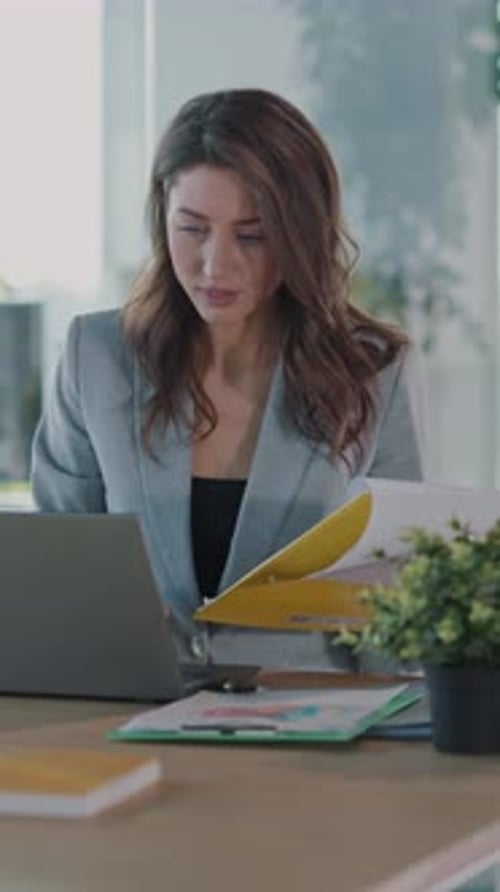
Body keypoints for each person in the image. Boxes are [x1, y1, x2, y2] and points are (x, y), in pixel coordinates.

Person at [31, 88, 425, 672]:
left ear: (300, 233)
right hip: (132, 709)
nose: (215, 266)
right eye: (192, 229)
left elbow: (401, 592)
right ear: (162, 214)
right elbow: (58, 567)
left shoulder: (371, 371)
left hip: (310, 717)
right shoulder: (97, 357)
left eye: (252, 235)